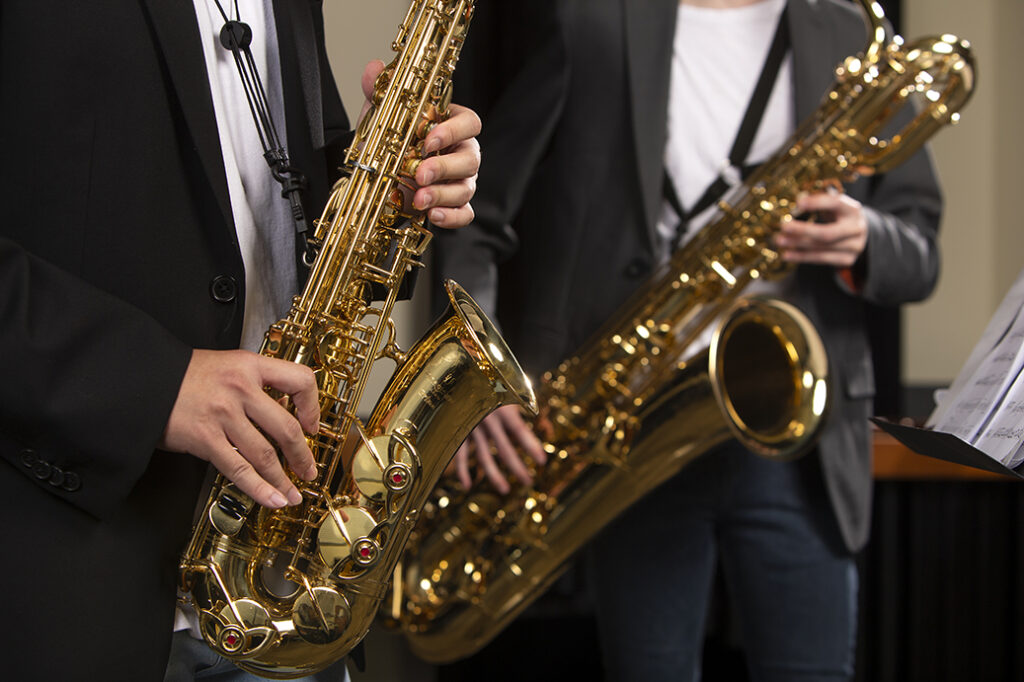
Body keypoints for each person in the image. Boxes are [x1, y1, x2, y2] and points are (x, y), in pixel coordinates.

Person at [434, 0, 942, 680]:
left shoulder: (850, 33)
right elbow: (477, 212)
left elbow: (921, 253)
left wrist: (865, 237)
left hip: (799, 437)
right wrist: (481, 378)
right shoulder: (590, 21)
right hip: (626, 423)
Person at [0, 1, 481, 680]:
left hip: (279, 578)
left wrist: (389, 190)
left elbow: (253, 187)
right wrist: (154, 383)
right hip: (69, 586)